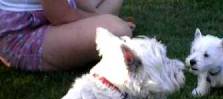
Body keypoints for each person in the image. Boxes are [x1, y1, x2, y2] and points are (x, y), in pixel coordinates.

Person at [0, 0, 135, 71]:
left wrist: (98, 17)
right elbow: (61, 16)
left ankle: (106, 21)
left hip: (55, 12)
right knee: (118, 30)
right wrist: (104, 20)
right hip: (25, 31)